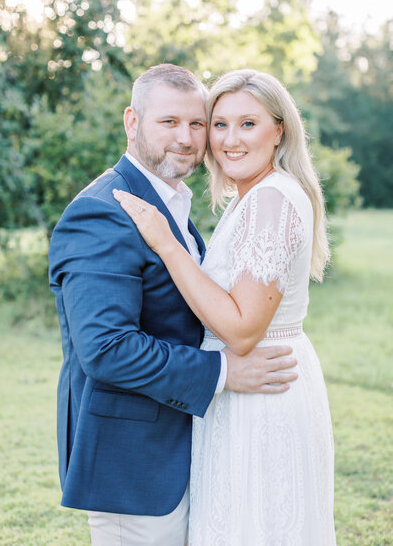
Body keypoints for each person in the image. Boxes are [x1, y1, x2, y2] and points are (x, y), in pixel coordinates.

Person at [48, 64, 298, 546]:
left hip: (180, 443)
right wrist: (222, 371)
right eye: (169, 122)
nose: (186, 138)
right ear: (132, 121)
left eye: (198, 123)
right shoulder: (103, 211)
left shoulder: (172, 203)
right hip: (132, 462)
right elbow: (106, 349)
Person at [113, 69, 337, 545]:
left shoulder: (271, 199)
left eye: (248, 124)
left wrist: (166, 243)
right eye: (218, 124)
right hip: (246, 388)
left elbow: (241, 330)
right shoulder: (248, 198)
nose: (229, 140)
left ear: (279, 129)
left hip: (264, 390)